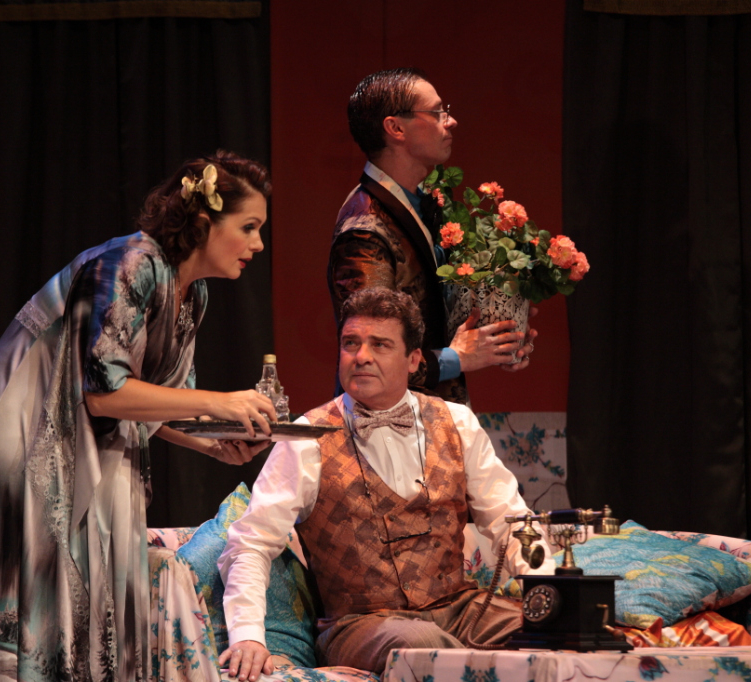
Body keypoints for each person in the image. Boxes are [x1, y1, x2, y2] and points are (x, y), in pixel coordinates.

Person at [0, 151, 277, 682]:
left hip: (90, 429)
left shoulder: (194, 294)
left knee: (93, 584)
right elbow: (104, 390)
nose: (258, 244)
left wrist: (213, 443)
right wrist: (220, 403)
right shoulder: (130, 263)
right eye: (249, 227)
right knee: (36, 579)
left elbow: (160, 401)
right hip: (26, 421)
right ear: (204, 223)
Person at [217, 287, 552, 680]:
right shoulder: (307, 437)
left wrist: (550, 594)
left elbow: (511, 521)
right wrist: (247, 636)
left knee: (556, 632)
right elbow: (252, 542)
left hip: (462, 611)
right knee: (422, 644)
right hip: (362, 625)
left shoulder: (457, 422)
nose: (361, 356)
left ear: (413, 360)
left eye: (380, 344)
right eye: (351, 343)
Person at [329, 68, 538, 405]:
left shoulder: (423, 204)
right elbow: (371, 357)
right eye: (437, 112)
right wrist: (458, 357)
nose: (451, 121)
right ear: (396, 128)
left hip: (429, 414)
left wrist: (498, 331)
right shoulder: (364, 229)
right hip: (384, 423)